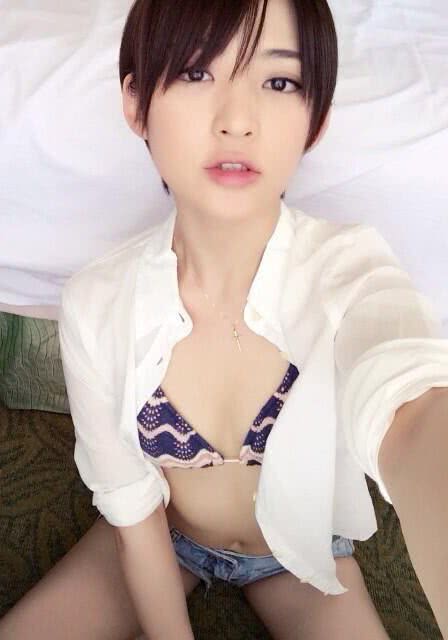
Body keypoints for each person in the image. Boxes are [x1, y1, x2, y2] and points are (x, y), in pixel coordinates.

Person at [2, 0, 448, 638]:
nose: (237, 120)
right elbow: (131, 508)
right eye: (195, 73)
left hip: (299, 556)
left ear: (316, 117)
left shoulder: (350, 272)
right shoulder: (97, 303)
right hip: (164, 537)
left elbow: (412, 410)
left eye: (279, 81)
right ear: (136, 104)